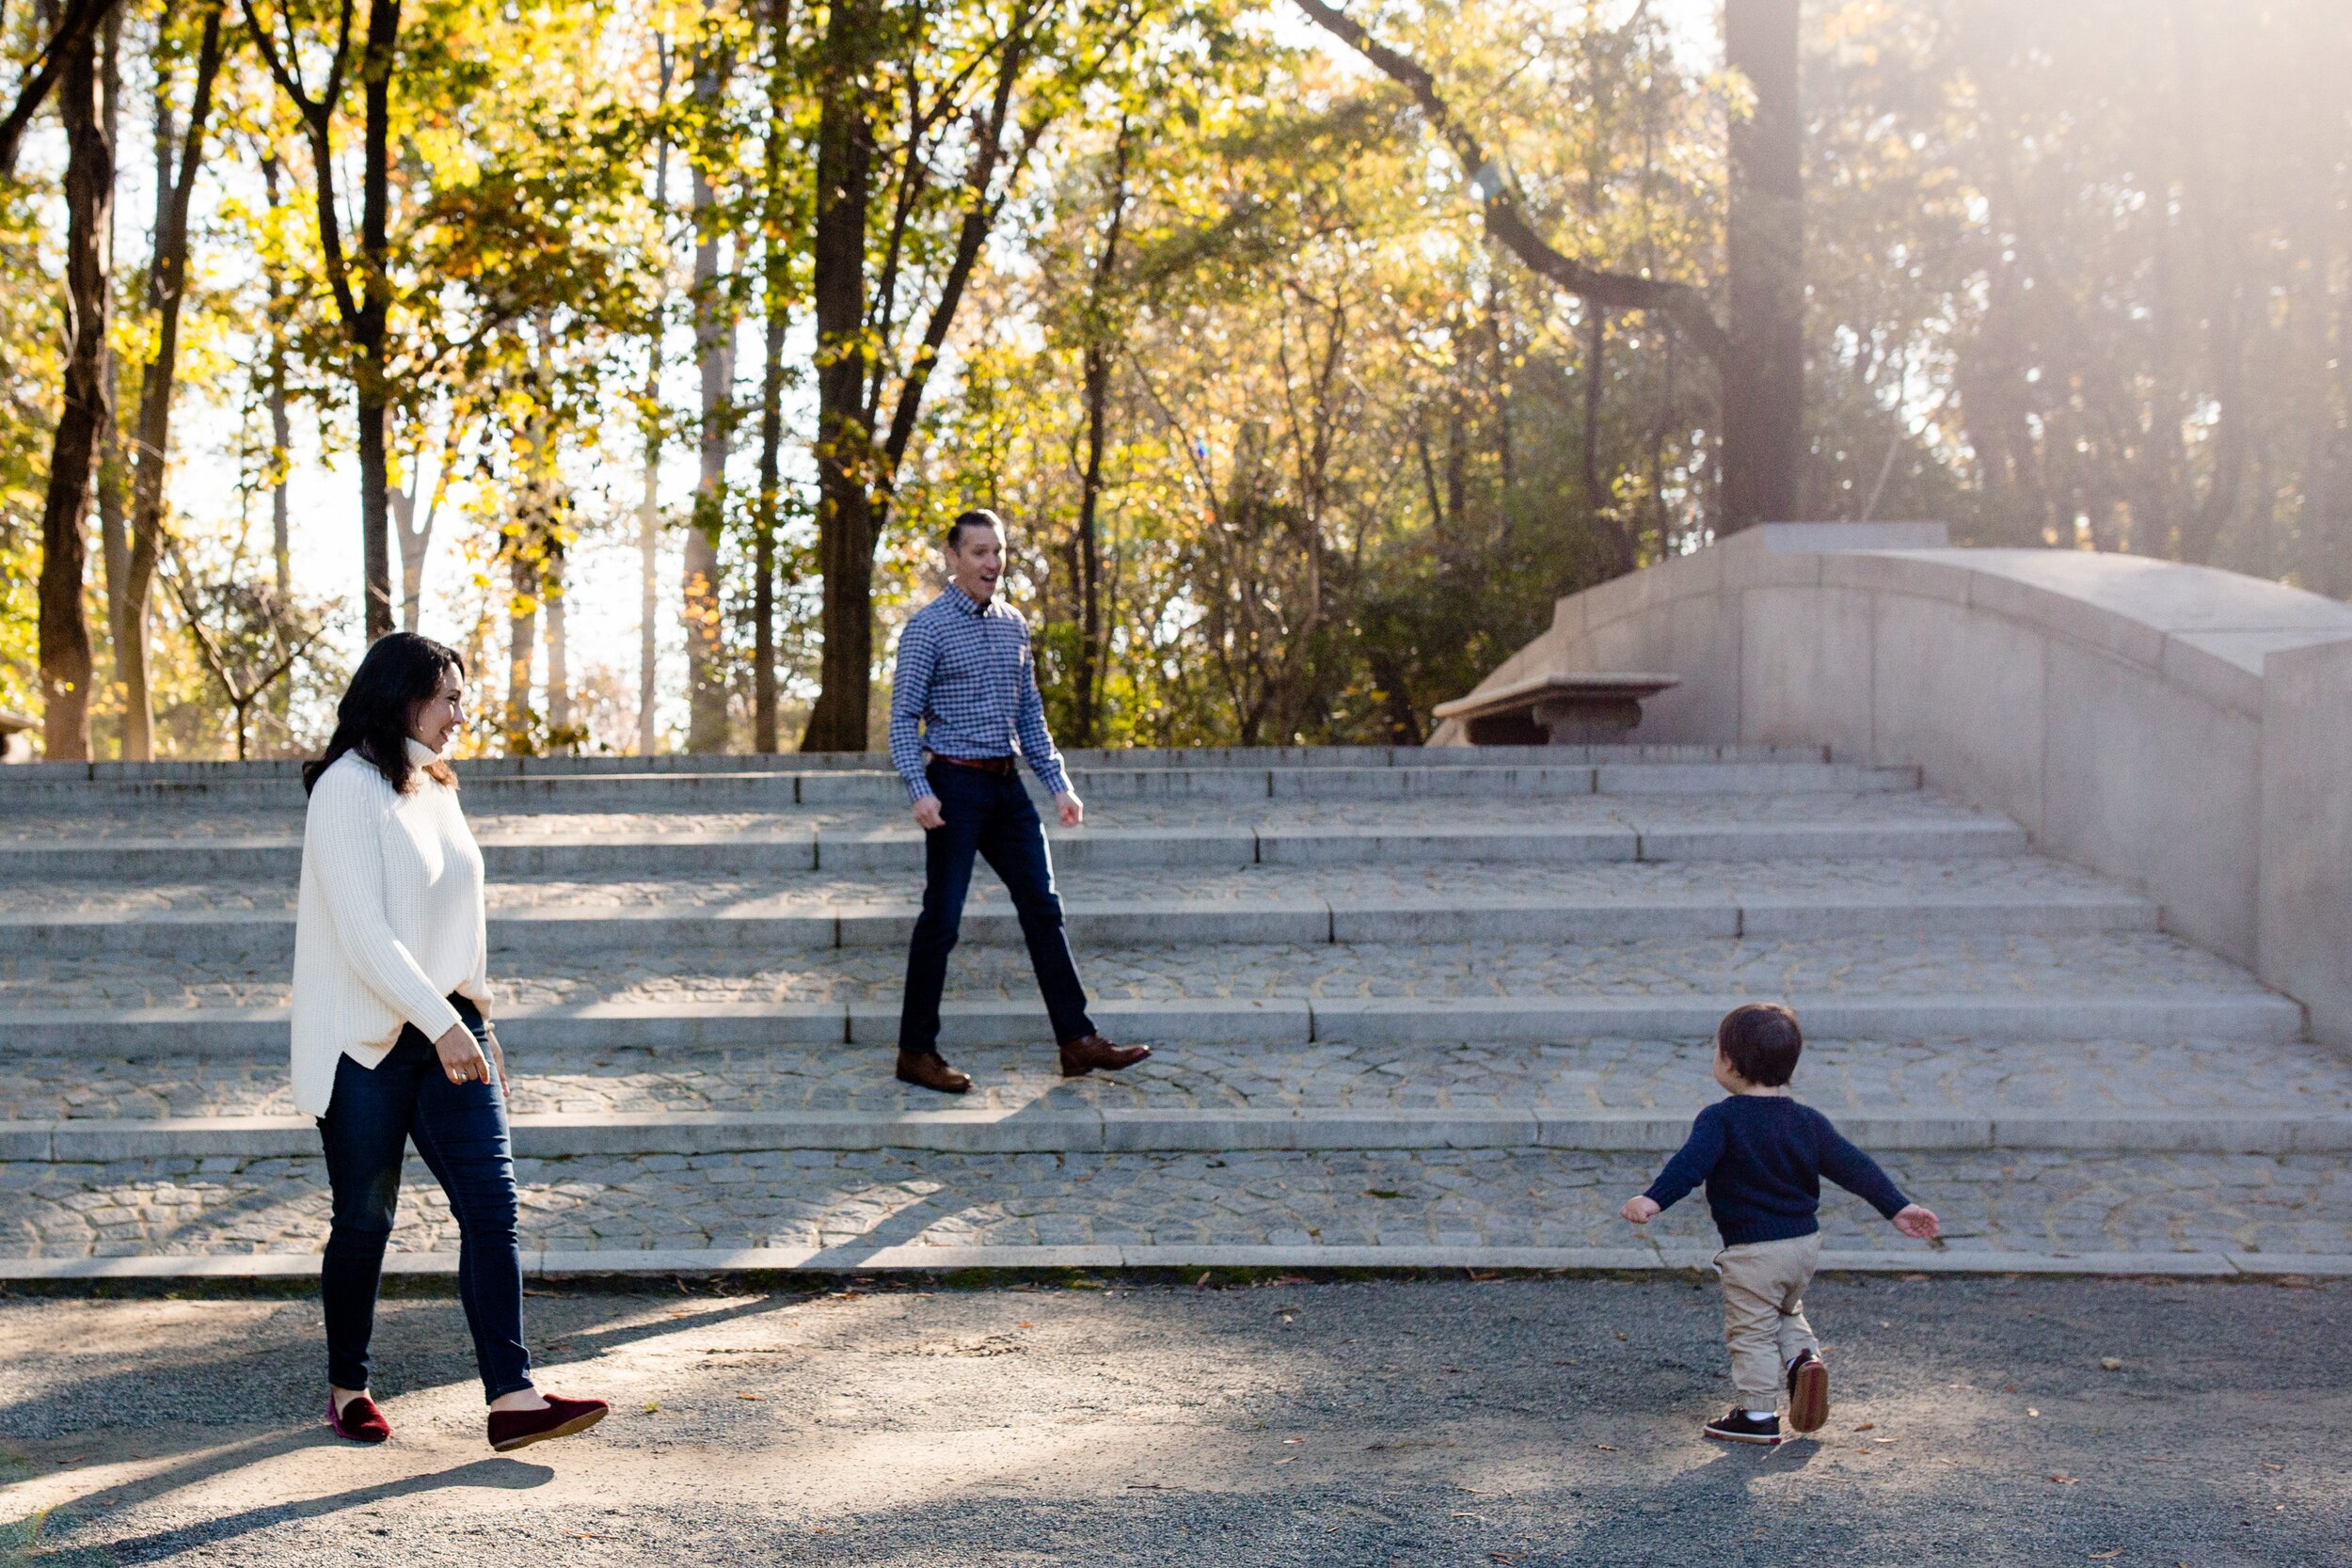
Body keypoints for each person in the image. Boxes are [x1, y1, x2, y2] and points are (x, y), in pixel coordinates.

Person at [293, 631, 608, 1452]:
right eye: (449, 699)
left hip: (451, 1032)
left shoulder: (436, 786)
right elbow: (365, 934)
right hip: (365, 1042)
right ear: (403, 698)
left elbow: (458, 918)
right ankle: (347, 1384)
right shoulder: (344, 790)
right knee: (365, 1219)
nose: (462, 715)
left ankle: (513, 1396)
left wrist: (479, 1016)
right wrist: (439, 1021)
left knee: (493, 1206)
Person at [886, 508, 1148, 1094]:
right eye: (978, 552)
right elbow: (903, 719)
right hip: (953, 787)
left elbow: (1029, 713)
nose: (992, 562)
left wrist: (1058, 783)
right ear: (953, 558)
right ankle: (915, 1052)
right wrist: (919, 789)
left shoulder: (1013, 625)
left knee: (1043, 908)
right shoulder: (926, 628)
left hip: (1007, 789)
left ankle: (1077, 1043)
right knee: (942, 920)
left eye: (998, 551)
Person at [1619, 1002, 1941, 1447]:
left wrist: (1653, 1199)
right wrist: (1898, 1207)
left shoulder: (1721, 1119)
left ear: (1729, 1064)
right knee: (1786, 1310)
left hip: (1753, 1252)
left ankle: (1757, 1414)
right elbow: (1855, 1166)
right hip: (1803, 1245)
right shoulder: (1807, 1121)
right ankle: (1802, 1360)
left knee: (1751, 1328)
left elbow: (1689, 1166)